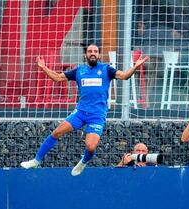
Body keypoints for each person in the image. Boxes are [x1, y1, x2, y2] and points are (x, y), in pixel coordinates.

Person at [21, 44, 149, 175]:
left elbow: (124, 76)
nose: (92, 53)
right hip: (80, 112)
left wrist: (135, 67)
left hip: (97, 115)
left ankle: (83, 161)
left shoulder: (106, 69)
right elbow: (57, 77)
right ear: (85, 55)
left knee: (91, 146)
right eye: (89, 51)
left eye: (95, 51)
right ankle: (36, 161)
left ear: (99, 55)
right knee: (56, 133)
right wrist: (43, 67)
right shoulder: (79, 70)